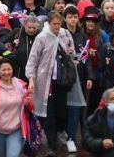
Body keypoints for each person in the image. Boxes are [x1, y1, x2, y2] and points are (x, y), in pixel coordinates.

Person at [26, 11, 77, 154]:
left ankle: (60, 132)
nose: (56, 27)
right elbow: (33, 59)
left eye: (59, 23)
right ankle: (52, 146)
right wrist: (31, 79)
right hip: (45, 82)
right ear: (48, 23)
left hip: (61, 81)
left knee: (62, 111)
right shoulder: (41, 38)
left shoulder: (64, 34)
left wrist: (71, 51)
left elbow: (72, 54)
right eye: (54, 24)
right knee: (49, 115)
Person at [0, 59, 33, 157]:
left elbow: (31, 107)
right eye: (3, 70)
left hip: (16, 130)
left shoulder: (20, 85)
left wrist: (28, 104)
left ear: (13, 70)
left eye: (9, 69)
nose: (6, 72)